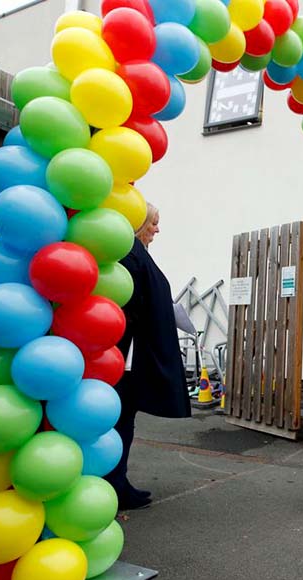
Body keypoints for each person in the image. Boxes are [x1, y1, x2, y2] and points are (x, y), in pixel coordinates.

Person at [107, 203, 191, 510]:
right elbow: (129, 304)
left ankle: (118, 482)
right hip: (123, 356)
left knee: (124, 422)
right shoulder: (129, 254)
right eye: (153, 222)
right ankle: (115, 485)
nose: (157, 228)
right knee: (120, 422)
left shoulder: (134, 252)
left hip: (128, 354)